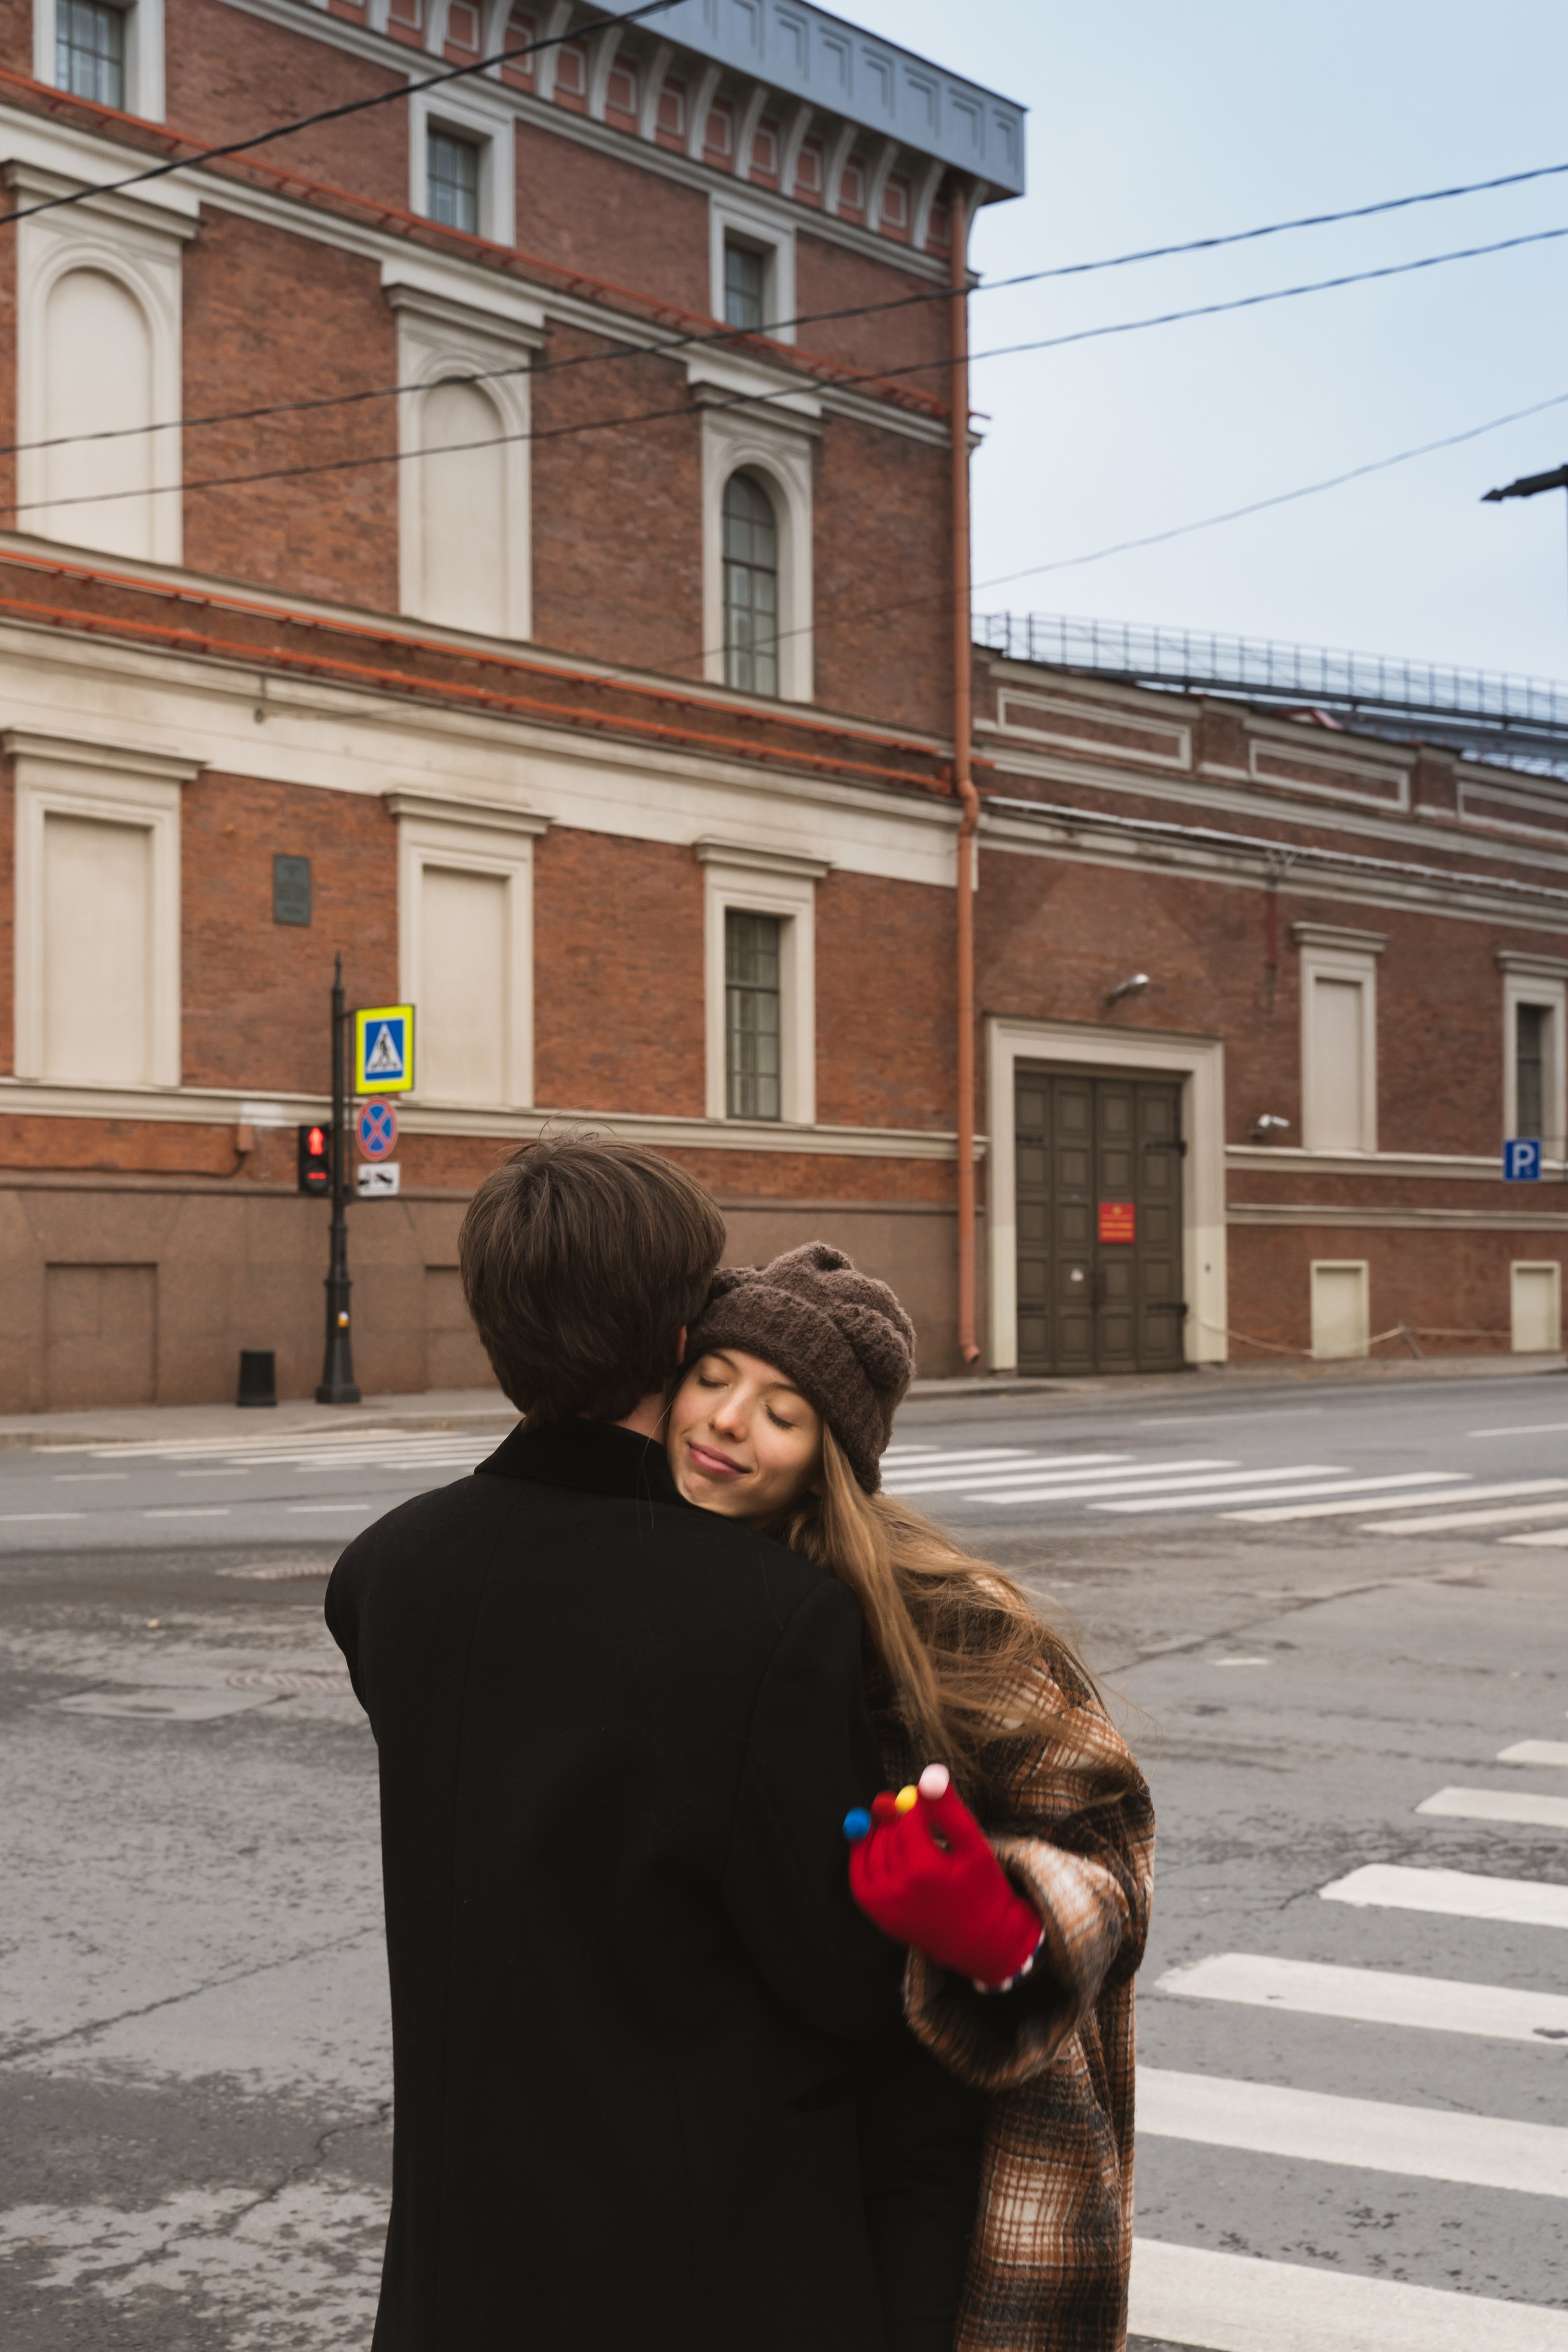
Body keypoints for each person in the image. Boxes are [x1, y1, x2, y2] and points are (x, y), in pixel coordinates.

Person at [324, 1139, 908, 2352]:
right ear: (676, 1339)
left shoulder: (386, 1572)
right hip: (699, 2267)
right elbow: (845, 1977)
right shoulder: (774, 1617)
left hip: (459, 2267)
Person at [666, 1242, 1156, 2352]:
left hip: (912, 2138)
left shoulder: (945, 1618)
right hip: (721, 2138)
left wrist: (999, 1925)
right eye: (714, 1377)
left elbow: (1110, 1849)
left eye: (782, 1413)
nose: (729, 1422)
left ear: (828, 1460)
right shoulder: (627, 1565)